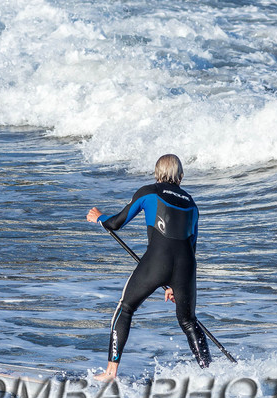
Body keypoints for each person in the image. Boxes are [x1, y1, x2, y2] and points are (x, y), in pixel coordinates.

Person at [86, 154, 213, 380]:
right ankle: (210, 373)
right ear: (181, 176)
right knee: (188, 321)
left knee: (125, 309)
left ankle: (110, 372)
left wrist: (99, 217)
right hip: (186, 268)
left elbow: (116, 223)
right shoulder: (192, 204)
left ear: (157, 173)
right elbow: (191, 246)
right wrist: (175, 284)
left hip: (157, 261)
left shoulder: (148, 192)